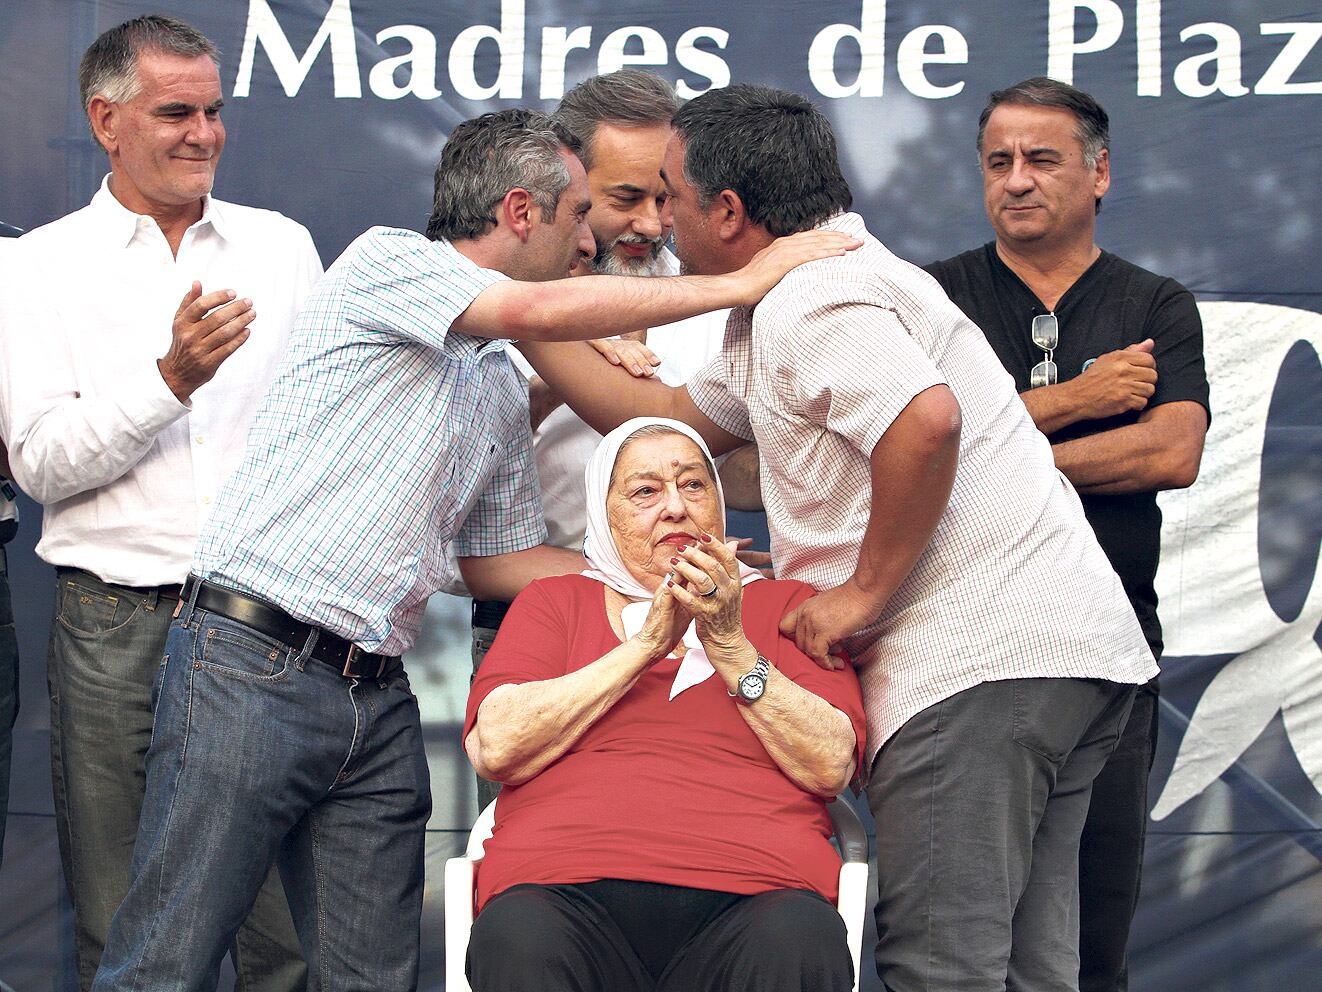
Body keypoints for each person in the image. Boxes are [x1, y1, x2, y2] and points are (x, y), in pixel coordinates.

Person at [89, 108, 856, 990]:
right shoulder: (390, 259)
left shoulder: (494, 379)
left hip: (375, 690)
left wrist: (668, 581)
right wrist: (743, 282)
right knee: (166, 958)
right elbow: (531, 307)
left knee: (372, 976)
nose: (591, 242)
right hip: (251, 659)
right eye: (578, 220)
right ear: (521, 212)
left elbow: (495, 562)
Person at [518, 84, 1159, 991]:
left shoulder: (812, 299)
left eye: (674, 195)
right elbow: (663, 415)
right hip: (1064, 657)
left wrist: (861, 594)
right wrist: (523, 312)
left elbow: (923, 421)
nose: (662, 220)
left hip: (975, 666)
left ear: (730, 212)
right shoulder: (800, 293)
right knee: (1026, 971)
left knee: (941, 968)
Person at [0, 16, 318, 988]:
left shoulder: (280, 247)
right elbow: (42, 465)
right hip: (111, 624)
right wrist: (170, 378)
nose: (203, 133)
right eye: (175, 111)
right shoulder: (37, 266)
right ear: (106, 120)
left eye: (214, 111)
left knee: (282, 945)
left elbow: (327, 425)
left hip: (259, 622)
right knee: (117, 928)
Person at [924, 77, 1210, 992]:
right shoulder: (935, 299)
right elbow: (919, 451)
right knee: (963, 939)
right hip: (961, 658)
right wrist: (1079, 403)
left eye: (1041, 159)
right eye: (998, 162)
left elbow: (1171, 452)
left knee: (1090, 942)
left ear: (1099, 174)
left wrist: (997, 441)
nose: (1016, 180)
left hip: (1109, 653)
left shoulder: (1156, 304)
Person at [463, 417, 864, 992]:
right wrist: (646, 645)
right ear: (605, 513)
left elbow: (830, 765)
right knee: (519, 936)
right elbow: (496, 746)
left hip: (758, 896)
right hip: (559, 893)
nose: (675, 508)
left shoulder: (787, 606)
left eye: (694, 485)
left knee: (799, 938)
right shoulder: (556, 601)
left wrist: (727, 643)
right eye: (646, 491)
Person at [468, 69, 751, 811]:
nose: (652, 225)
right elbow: (457, 486)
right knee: (536, 867)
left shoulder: (714, 301)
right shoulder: (493, 297)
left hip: (698, 626)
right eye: (625, 199)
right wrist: (571, 367)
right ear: (564, 182)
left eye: (665, 196)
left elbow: (741, 463)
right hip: (537, 624)